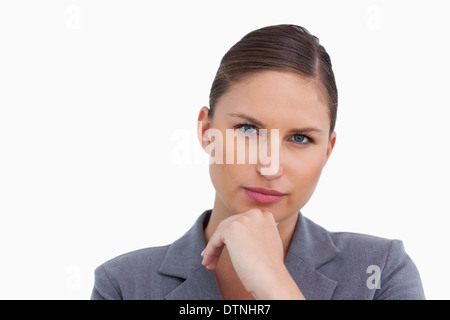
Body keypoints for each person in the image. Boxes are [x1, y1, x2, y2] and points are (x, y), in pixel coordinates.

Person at [91, 24, 425, 300]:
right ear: (207, 132)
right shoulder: (124, 285)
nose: (270, 167)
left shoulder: (381, 271)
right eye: (248, 130)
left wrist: (274, 283)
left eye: (300, 138)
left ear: (327, 151)